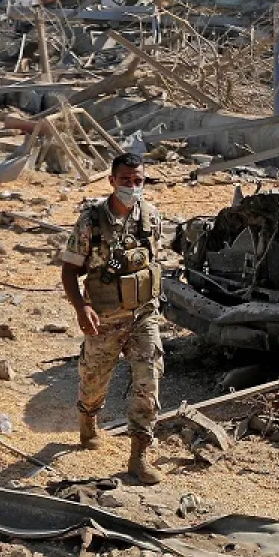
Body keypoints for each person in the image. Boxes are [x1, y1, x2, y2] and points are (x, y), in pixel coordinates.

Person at [60, 153, 164, 484]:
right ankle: (88, 418)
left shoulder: (151, 218)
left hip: (142, 316)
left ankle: (139, 455)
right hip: (104, 318)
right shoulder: (91, 221)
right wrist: (81, 307)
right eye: (125, 180)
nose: (132, 187)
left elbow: (148, 265)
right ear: (112, 181)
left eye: (138, 181)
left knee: (149, 380)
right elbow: (69, 270)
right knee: (93, 381)